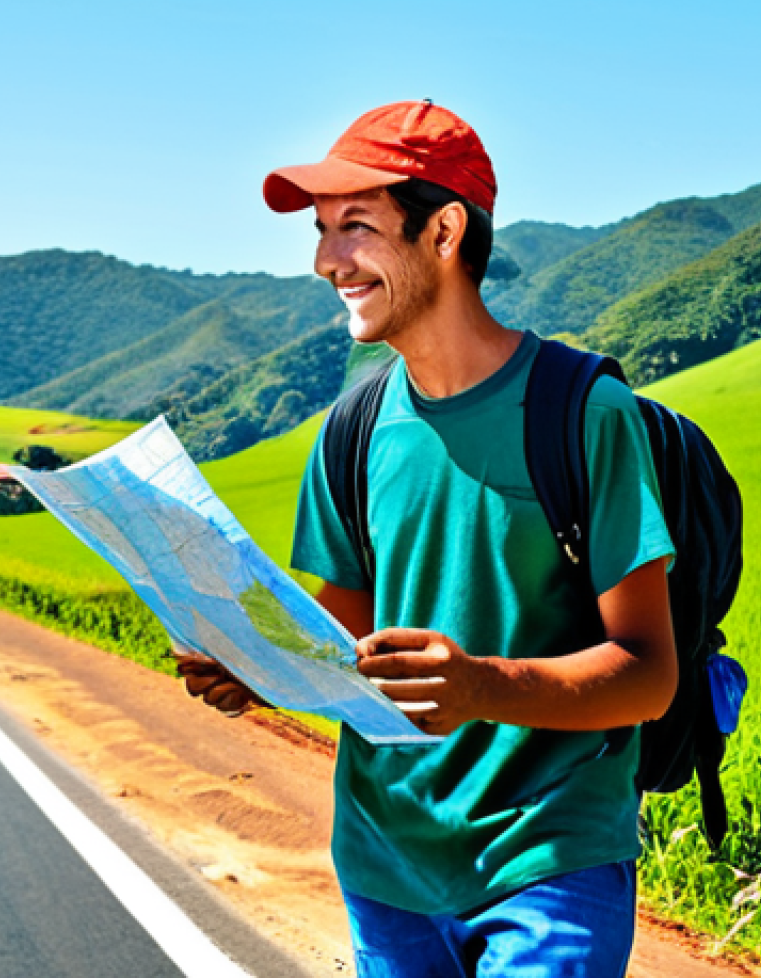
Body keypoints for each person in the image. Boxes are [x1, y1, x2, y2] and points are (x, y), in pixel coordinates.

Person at [179, 100, 677, 977]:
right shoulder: (356, 427)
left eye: (356, 227)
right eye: (324, 231)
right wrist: (254, 666)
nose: (327, 260)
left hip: (547, 860)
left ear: (444, 230)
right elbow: (335, 641)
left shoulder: (583, 412)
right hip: (385, 861)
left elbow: (648, 674)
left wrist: (479, 685)